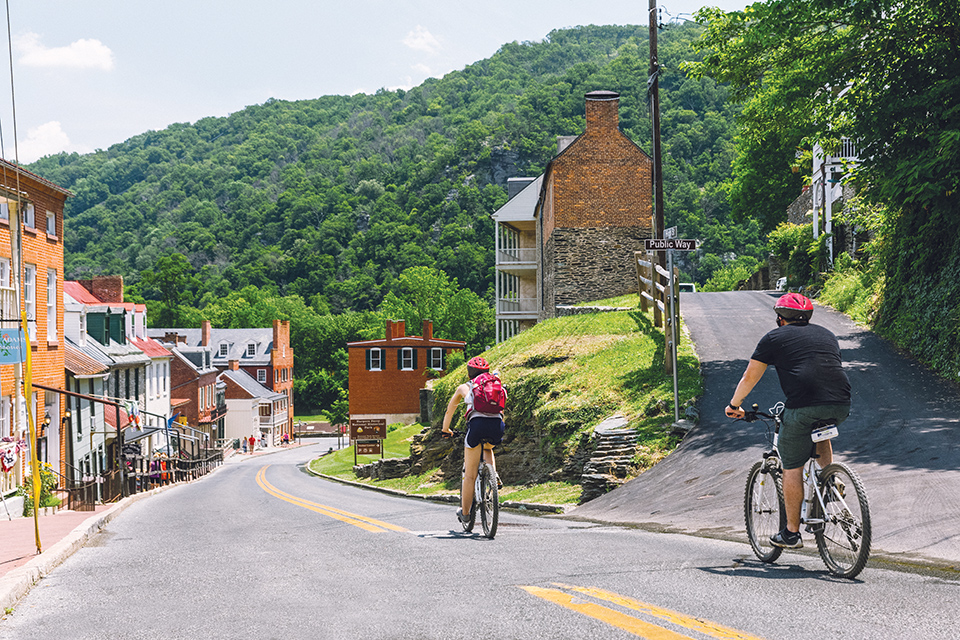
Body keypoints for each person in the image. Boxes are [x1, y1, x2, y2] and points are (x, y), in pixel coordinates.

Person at [725, 292, 851, 549]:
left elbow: (750, 376)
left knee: (791, 465)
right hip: (841, 404)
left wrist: (734, 405)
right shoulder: (827, 334)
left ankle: (792, 533)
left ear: (780, 319)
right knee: (820, 429)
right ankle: (830, 480)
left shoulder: (773, 338)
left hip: (803, 407)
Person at [441, 356, 506, 527]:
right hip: (497, 425)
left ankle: (465, 515)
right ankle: (494, 476)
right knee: (488, 447)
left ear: (469, 373)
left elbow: (450, 410)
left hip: (477, 426)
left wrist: (446, 430)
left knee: (469, 476)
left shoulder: (465, 387)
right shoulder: (496, 384)